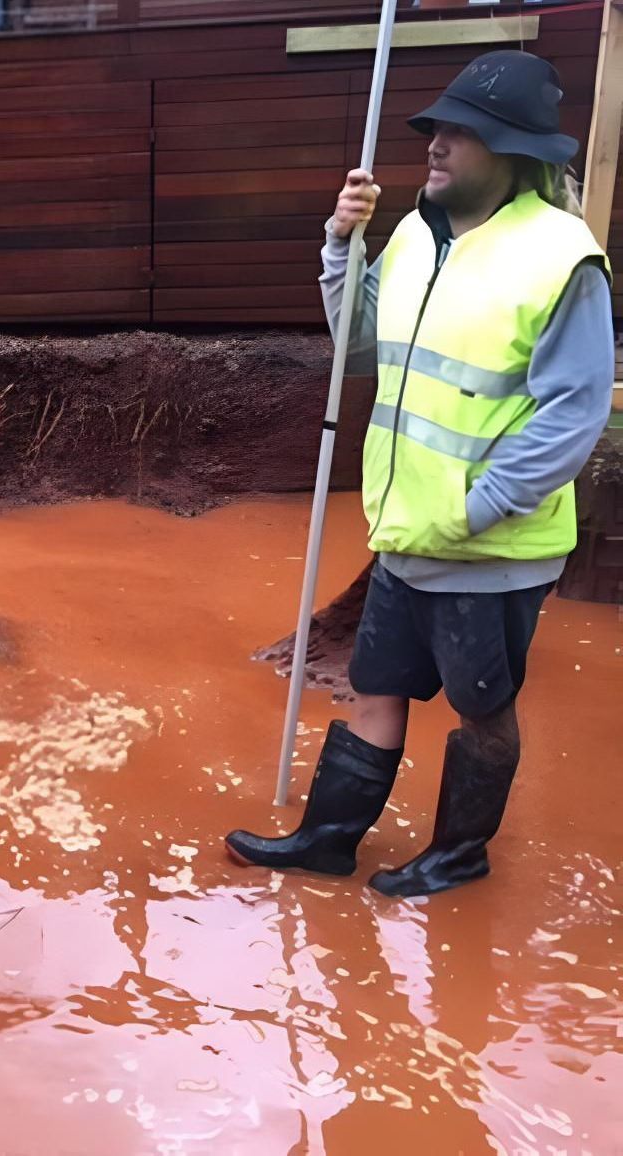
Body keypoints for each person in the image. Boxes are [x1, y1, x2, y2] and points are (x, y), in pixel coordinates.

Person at [224, 50, 615, 898]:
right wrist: (340, 245)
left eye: (459, 133)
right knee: (378, 687)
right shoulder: (409, 235)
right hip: (407, 531)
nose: (435, 145)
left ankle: (458, 855)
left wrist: (480, 508)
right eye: (434, 129)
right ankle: (329, 841)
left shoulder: (560, 259)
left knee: (482, 706)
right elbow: (357, 348)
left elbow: (572, 414)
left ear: (515, 152)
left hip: (489, 546)